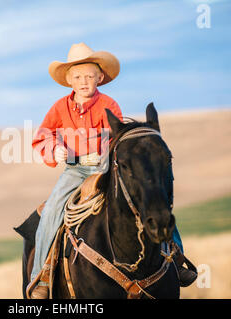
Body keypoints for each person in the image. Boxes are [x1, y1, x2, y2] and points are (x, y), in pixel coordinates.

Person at [29, 43, 195, 299]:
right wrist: (54, 149)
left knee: (153, 200)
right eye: (77, 77)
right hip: (75, 170)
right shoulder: (59, 107)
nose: (83, 82)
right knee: (51, 210)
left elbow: (116, 138)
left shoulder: (109, 105)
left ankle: (176, 257)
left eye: (89, 76)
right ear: (69, 81)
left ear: (100, 78)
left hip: (105, 167)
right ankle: (43, 275)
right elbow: (43, 135)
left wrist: (108, 157)